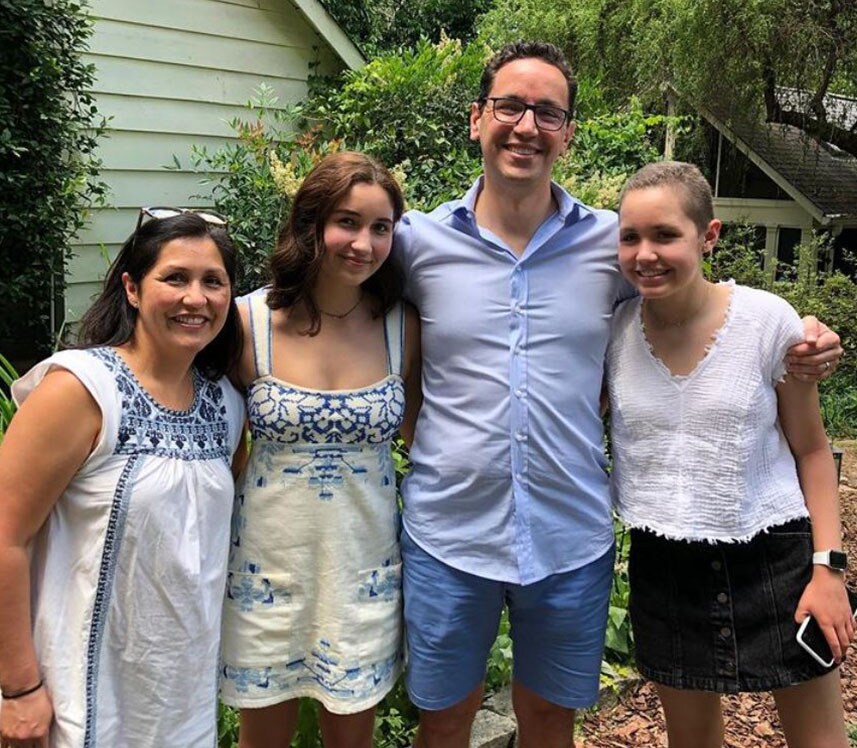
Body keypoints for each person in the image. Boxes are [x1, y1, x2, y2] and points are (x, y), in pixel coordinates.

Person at [394, 41, 844, 748]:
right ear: (477, 119)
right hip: (447, 532)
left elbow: (699, 294)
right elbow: (333, 301)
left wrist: (805, 337)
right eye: (509, 106)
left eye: (547, 112)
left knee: (548, 719)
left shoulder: (612, 245)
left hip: (568, 535)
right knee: (444, 720)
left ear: (566, 133)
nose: (525, 125)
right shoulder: (414, 245)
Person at [606, 160, 854, 747]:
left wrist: (829, 569)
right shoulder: (614, 331)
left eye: (666, 235)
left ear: (708, 235)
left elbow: (814, 451)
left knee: (818, 739)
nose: (646, 253)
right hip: (664, 564)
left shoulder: (768, 322)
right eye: (631, 236)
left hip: (776, 557)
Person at [0, 209, 246, 747]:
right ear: (133, 288)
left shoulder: (226, 407)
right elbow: (4, 537)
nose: (195, 298)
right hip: (75, 698)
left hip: (178, 701)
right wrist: (18, 689)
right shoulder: (82, 390)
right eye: (174, 278)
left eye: (213, 282)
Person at [219, 151, 421, 748]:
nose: (363, 242)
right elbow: (222, 448)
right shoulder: (246, 322)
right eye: (348, 222)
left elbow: (425, 437)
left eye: (380, 227)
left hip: (362, 568)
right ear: (311, 224)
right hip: (267, 568)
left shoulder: (403, 327)